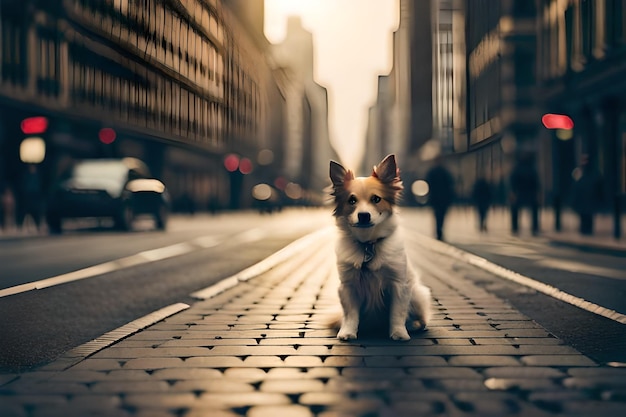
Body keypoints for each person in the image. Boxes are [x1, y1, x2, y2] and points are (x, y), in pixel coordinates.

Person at [571, 154, 604, 235]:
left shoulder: (591, 173)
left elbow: (598, 188)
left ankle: (587, 231)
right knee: (585, 218)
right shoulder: (581, 172)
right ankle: (585, 231)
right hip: (584, 201)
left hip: (589, 200)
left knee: (588, 217)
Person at [509, 152, 540, 235]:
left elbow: (513, 181)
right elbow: (536, 182)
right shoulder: (531, 169)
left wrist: (513, 192)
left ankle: (515, 227)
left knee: (515, 209)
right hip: (530, 193)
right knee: (534, 210)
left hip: (520, 193)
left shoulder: (517, 169)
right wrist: (537, 193)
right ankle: (535, 227)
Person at [425, 156, 455, 240]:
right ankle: (439, 231)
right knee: (441, 215)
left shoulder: (432, 172)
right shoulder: (445, 172)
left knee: (437, 215)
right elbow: (450, 185)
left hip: (436, 198)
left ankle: (438, 231)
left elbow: (428, 184)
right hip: (443, 198)